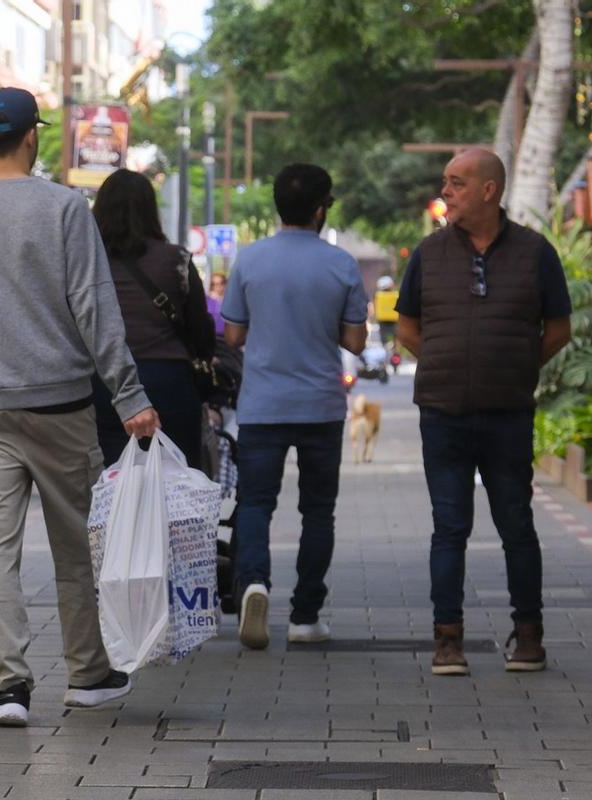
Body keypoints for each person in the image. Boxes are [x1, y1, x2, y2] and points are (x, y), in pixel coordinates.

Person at [0, 87, 159, 727]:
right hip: (61, 404)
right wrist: (129, 394)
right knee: (76, 543)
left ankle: (10, 687)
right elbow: (94, 307)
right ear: (33, 137)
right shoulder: (63, 208)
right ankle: (87, 672)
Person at [396, 147, 571, 676]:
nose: (445, 192)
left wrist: (515, 367)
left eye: (457, 183)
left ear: (488, 191)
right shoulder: (429, 253)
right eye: (446, 182)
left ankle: (529, 635)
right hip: (443, 413)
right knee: (449, 527)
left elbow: (558, 330)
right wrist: (448, 364)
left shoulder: (536, 252)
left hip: (507, 414)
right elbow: (407, 328)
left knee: (516, 523)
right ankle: (447, 640)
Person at [222, 163, 368, 651]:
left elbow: (234, 334)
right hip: (321, 406)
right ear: (321, 209)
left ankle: (254, 584)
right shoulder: (342, 264)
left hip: (262, 405)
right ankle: (306, 617)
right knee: (318, 512)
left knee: (256, 504)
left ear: (277, 205)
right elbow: (353, 338)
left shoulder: (249, 260)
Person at [90, 168, 214, 468]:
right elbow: (201, 330)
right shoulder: (176, 259)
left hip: (103, 382)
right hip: (170, 380)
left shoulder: (88, 262)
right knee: (177, 484)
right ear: (150, 209)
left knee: (110, 484)